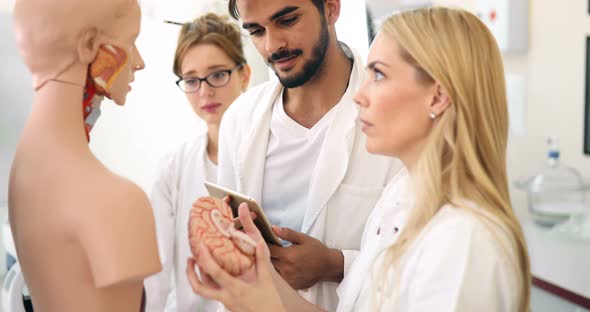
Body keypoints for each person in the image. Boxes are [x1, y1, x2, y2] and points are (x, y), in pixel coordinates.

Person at [187, 7, 532, 312]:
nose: (361, 95)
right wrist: (260, 281)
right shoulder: (398, 198)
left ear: (438, 96)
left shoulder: (465, 239)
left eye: (378, 74)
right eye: (256, 30)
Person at [216, 0, 401, 309]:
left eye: (287, 20)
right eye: (256, 31)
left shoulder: (394, 117)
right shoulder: (240, 120)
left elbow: (424, 260)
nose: (273, 45)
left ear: (330, 8)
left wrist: (335, 264)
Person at [8, 0, 161, 310]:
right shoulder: (118, 202)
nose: (140, 61)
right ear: (89, 45)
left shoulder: (22, 175)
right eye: (131, 41)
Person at [143, 13, 251, 312]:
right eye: (191, 80)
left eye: (218, 74)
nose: (204, 91)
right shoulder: (173, 168)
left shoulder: (270, 157)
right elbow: (157, 272)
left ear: (245, 75)